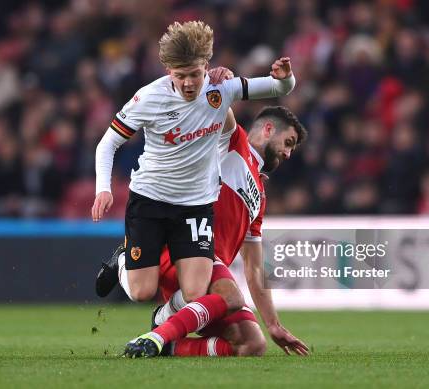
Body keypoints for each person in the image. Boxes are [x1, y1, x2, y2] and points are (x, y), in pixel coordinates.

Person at [92, 20, 296, 358]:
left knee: (198, 290)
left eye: (195, 74)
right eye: (181, 75)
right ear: (168, 70)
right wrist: (104, 188)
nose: (189, 83)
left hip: (196, 206)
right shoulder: (148, 98)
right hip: (151, 200)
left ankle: (163, 326)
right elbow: (107, 143)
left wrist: (285, 75)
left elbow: (280, 88)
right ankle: (122, 261)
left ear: (207, 66)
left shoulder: (220, 90)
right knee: (142, 292)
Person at [98, 106, 309, 357]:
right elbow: (219, 105)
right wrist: (221, 80)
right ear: (268, 129)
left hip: (208, 275)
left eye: (292, 149)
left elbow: (253, 267)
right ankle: (156, 333)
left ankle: (167, 340)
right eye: (288, 142)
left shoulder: (260, 197)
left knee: (252, 345)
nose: (287, 153)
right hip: (183, 248)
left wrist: (274, 324)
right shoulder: (234, 143)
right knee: (231, 296)